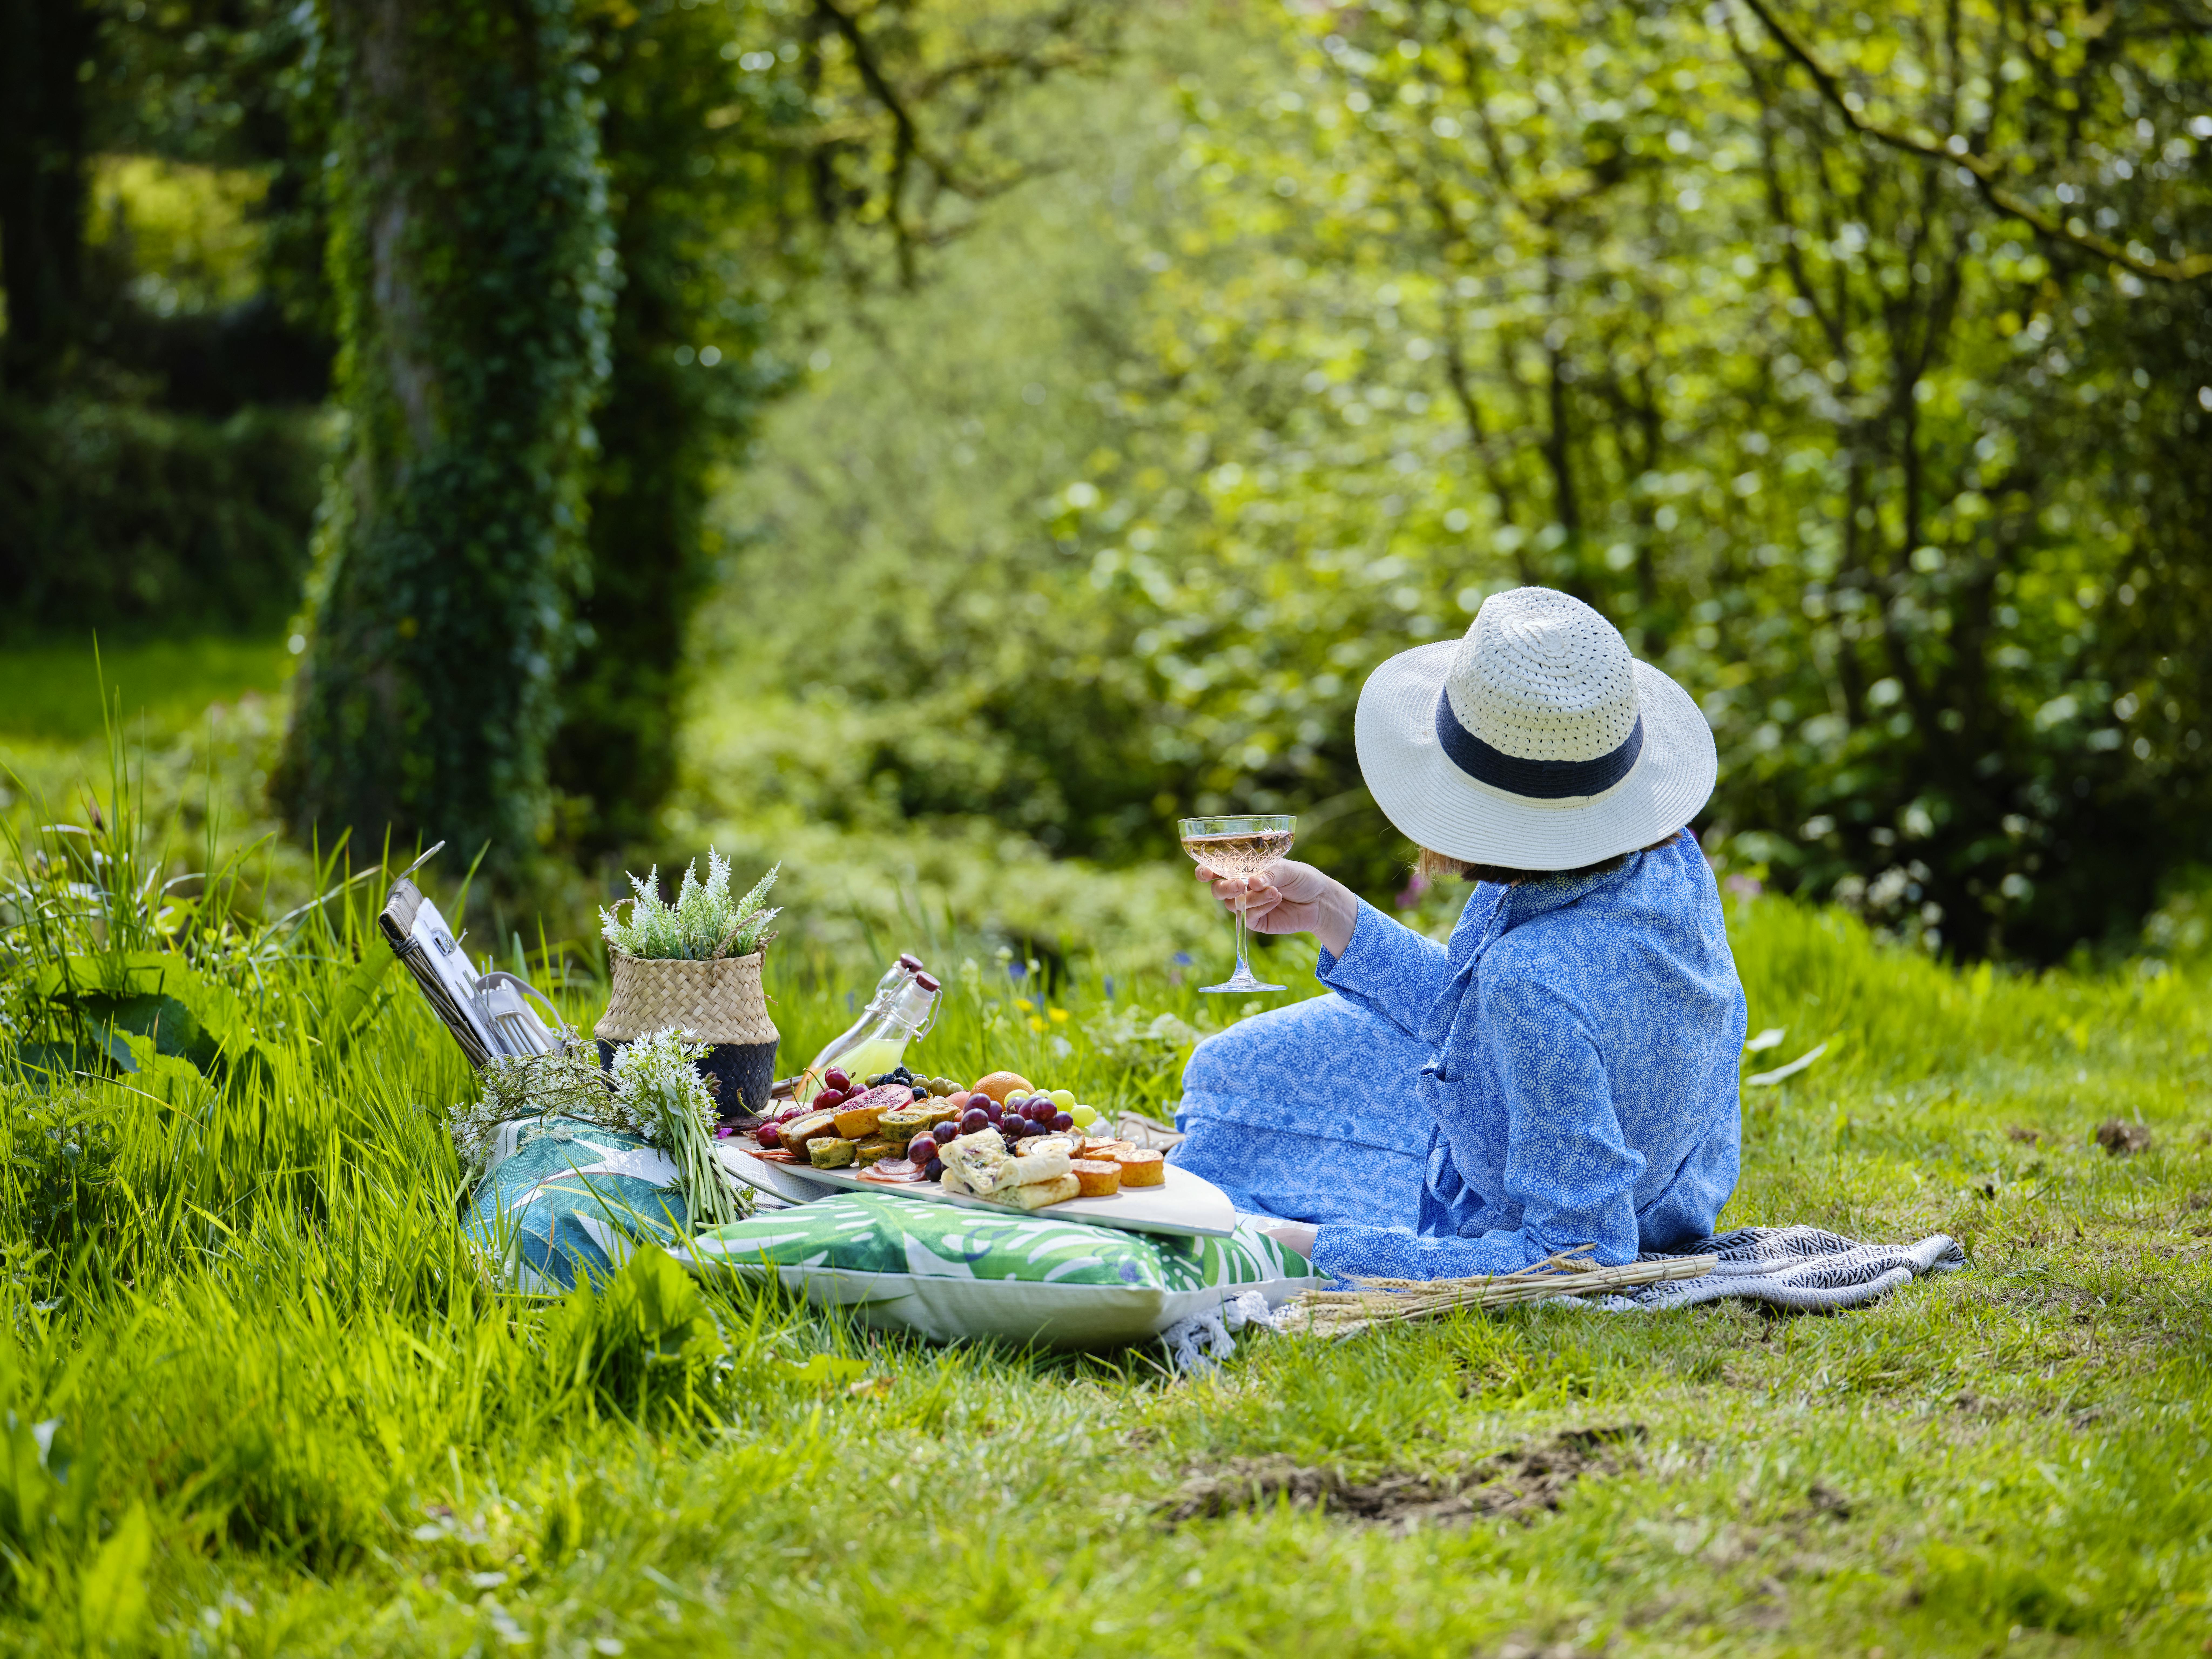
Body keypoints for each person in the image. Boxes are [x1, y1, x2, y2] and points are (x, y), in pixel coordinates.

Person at [1172, 586, 1746, 1279]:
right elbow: (1481, 1015)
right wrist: (1331, 911)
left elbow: (1576, 1254)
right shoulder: (1660, 853)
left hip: (1601, 1205)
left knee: (1249, 1103)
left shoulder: (1530, 979)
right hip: (1673, 1176)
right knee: (1232, 1066)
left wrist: (1300, 1244)